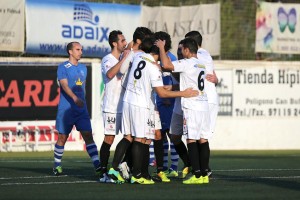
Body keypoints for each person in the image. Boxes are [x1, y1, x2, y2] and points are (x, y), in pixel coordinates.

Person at [123, 36, 199, 184]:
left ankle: (143, 174)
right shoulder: (153, 67)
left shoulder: (139, 58)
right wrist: (183, 93)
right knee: (139, 138)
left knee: (146, 137)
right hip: (141, 104)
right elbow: (162, 93)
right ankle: (136, 174)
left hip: (131, 101)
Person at [156, 37, 211, 184]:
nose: (181, 52)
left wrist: (161, 47)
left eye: (182, 50)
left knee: (191, 140)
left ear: (187, 50)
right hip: (203, 105)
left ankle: (197, 175)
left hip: (192, 106)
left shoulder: (186, 63)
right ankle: (204, 174)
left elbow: (166, 65)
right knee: (203, 140)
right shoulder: (202, 64)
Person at [108, 27, 154, 184]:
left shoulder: (130, 54)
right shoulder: (143, 56)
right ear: (140, 41)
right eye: (148, 39)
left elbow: (121, 70)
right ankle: (137, 174)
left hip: (127, 99)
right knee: (141, 138)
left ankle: (116, 167)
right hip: (140, 100)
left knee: (129, 136)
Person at [53, 42, 100, 176]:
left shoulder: (83, 68)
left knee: (88, 136)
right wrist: (74, 98)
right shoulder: (63, 67)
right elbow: (64, 85)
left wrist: (80, 100)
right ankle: (57, 165)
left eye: (81, 49)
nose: (81, 52)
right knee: (62, 137)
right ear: (70, 52)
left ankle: (97, 165)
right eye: (78, 49)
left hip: (81, 110)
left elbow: (81, 88)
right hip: (66, 109)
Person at [185, 31, 219, 177]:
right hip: (206, 99)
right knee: (201, 137)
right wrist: (216, 78)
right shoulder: (206, 55)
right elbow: (212, 73)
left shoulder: (200, 55)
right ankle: (204, 170)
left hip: (205, 100)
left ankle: (201, 171)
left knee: (198, 137)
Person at [98, 30, 129, 182]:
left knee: (130, 137)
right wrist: (124, 60)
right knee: (109, 138)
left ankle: (123, 167)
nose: (125, 43)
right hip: (111, 106)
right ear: (114, 43)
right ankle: (104, 172)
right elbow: (110, 74)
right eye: (122, 40)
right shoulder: (107, 59)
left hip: (125, 106)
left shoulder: (126, 59)